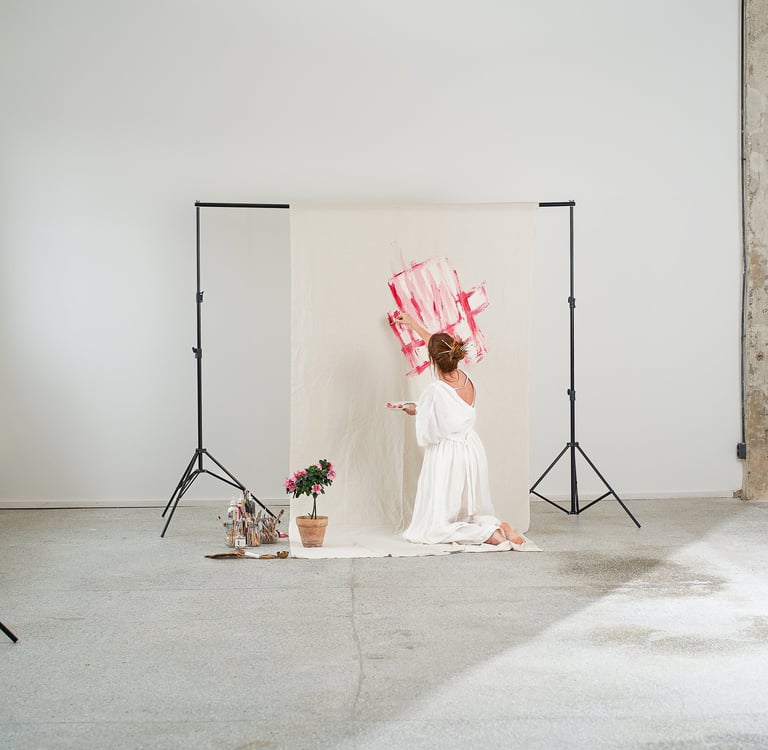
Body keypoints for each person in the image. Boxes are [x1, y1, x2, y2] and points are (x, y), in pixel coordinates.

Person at [394, 312, 524, 547]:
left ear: (433, 361)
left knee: (438, 525)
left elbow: (429, 431)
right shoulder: (467, 379)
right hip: (471, 451)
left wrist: (415, 409)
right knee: (468, 509)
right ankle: (497, 525)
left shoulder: (435, 390)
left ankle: (491, 534)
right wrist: (413, 324)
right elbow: (439, 347)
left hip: (448, 455)